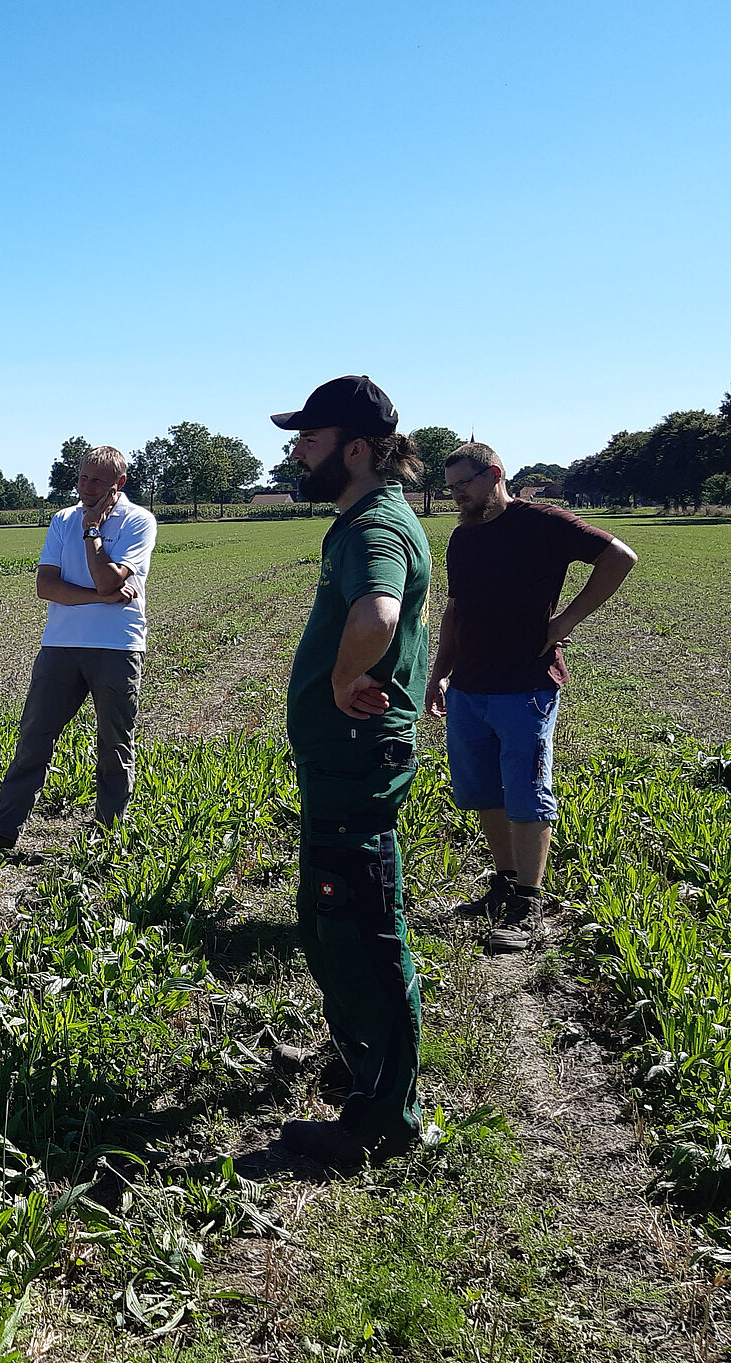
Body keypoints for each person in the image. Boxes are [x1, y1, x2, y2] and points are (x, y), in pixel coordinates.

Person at [271, 375, 432, 1169]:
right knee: (333, 920)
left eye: (310, 439)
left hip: (356, 761)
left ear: (358, 449)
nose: (297, 452)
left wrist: (339, 683)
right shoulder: (369, 519)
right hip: (344, 763)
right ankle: (363, 1061)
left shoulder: (374, 527)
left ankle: (384, 1118)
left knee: (360, 928)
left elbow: (379, 612)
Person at [424, 441, 636, 952]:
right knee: (483, 790)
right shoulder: (463, 538)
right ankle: (503, 883)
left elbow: (619, 558)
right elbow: (455, 610)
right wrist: (439, 673)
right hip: (470, 685)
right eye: (451, 487)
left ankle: (529, 902)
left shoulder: (544, 522)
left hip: (526, 683)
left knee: (526, 789)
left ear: (493, 473)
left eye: (464, 484)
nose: (457, 495)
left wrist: (565, 621)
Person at [0, 445, 157, 841]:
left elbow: (108, 578)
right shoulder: (62, 519)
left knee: (114, 744)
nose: (86, 487)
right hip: (60, 645)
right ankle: (4, 831)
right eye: (82, 477)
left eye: (97, 480)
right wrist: (101, 597)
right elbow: (47, 586)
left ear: (120, 482)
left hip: (117, 646)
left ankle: (107, 834)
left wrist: (93, 531)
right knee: (34, 737)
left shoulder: (138, 521)